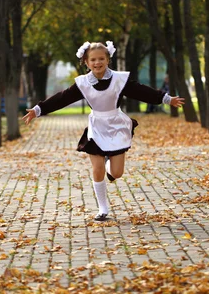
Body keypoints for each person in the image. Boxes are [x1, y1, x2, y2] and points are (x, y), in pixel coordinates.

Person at [22, 41, 184, 221]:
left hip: (116, 126)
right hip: (97, 127)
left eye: (101, 59)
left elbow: (141, 91)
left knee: (117, 173)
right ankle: (102, 208)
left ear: (108, 60)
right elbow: (62, 98)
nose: (97, 62)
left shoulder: (119, 80)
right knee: (96, 168)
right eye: (93, 59)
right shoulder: (83, 83)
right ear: (86, 61)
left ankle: (110, 165)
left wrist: (166, 98)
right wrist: (38, 110)